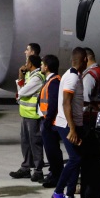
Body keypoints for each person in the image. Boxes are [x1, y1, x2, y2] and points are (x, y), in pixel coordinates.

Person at [50, 47, 89, 198]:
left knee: (78, 160)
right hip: (67, 124)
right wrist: (72, 129)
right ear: (85, 59)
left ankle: (70, 195)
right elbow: (66, 103)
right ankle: (58, 192)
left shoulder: (74, 75)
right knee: (75, 159)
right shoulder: (72, 78)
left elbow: (73, 102)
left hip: (73, 123)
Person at [10, 54, 46, 182]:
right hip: (25, 113)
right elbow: (21, 89)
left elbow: (22, 92)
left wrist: (19, 93)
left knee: (35, 143)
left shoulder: (37, 77)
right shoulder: (29, 75)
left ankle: (38, 170)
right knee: (25, 143)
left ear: (31, 64)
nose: (25, 64)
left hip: (33, 115)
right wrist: (20, 75)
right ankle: (26, 168)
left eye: (27, 62)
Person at [38, 54, 63, 188]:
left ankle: (56, 177)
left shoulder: (54, 82)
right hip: (48, 121)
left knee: (52, 152)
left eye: (42, 64)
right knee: (52, 151)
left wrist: (47, 122)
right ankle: (54, 174)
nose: (41, 66)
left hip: (50, 123)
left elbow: (53, 104)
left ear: (47, 67)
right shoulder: (51, 80)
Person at [82, 47, 100, 129]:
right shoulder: (99, 70)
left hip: (88, 115)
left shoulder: (90, 75)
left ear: (85, 58)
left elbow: (85, 98)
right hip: (97, 113)